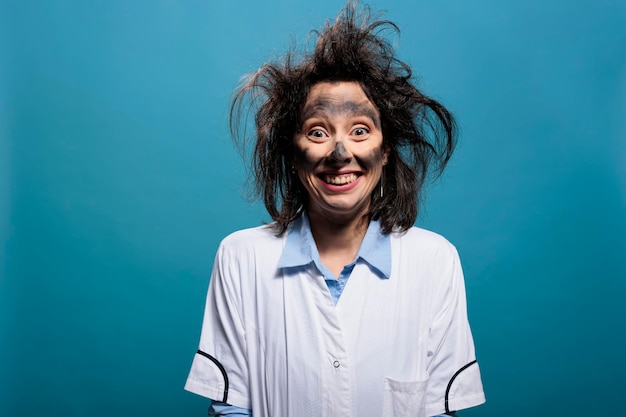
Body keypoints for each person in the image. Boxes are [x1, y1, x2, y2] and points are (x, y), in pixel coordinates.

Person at [185, 2, 485, 416]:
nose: (340, 152)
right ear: (294, 153)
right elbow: (231, 409)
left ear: (385, 152)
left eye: (360, 130)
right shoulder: (242, 257)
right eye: (318, 131)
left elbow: (440, 410)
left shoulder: (434, 261)